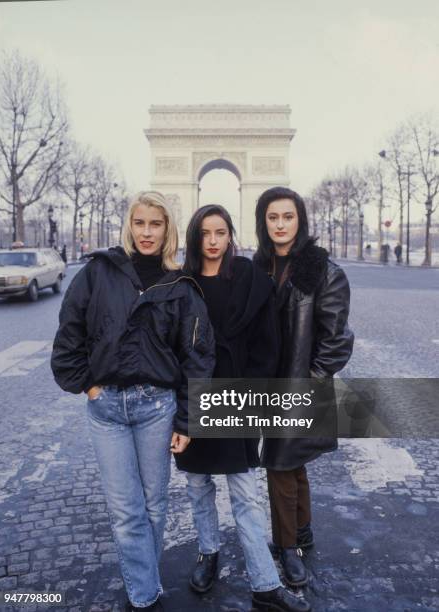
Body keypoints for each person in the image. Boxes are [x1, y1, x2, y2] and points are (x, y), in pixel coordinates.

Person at [51, 191, 215, 611]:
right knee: (127, 511)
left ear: (167, 229)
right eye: (140, 223)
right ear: (129, 225)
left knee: (154, 505)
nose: (146, 232)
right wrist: (87, 386)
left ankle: (144, 583)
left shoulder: (181, 286)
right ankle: (146, 597)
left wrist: (187, 421)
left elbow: (197, 357)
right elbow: (69, 332)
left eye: (155, 224)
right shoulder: (97, 272)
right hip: (106, 408)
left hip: (156, 408)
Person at [176, 204, 311, 612]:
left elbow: (267, 342)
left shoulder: (251, 278)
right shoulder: (181, 282)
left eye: (221, 232)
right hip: (195, 394)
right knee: (199, 487)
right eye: (205, 233)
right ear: (195, 237)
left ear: (231, 234)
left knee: (244, 493)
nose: (213, 241)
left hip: (237, 395)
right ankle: (208, 552)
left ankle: (265, 583)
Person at [253, 186, 354, 588]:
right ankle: (304, 528)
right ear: (263, 221)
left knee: (279, 463)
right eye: (272, 217)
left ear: (301, 220)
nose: (280, 224)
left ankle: (288, 547)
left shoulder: (323, 271)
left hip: (299, 385)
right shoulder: (258, 267)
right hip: (264, 384)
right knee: (291, 463)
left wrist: (310, 382)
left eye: (288, 217)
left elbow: (337, 340)